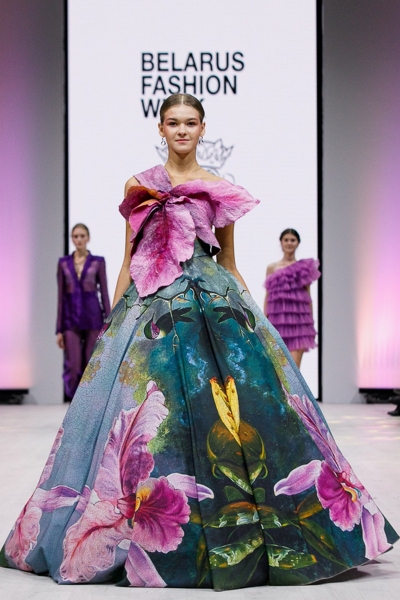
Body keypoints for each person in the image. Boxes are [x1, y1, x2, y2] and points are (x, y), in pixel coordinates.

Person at [1, 94, 397, 589]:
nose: (182, 130)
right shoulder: (139, 185)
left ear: (203, 128)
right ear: (161, 128)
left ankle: (242, 529)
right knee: (151, 415)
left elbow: (227, 261)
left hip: (211, 304)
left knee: (232, 412)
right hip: (152, 303)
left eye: (190, 123)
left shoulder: (218, 189)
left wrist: (255, 320)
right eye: (173, 122)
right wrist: (113, 322)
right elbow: (128, 258)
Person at [56, 223, 110, 401]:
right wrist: (59, 330)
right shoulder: (64, 263)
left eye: (82, 236)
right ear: (72, 239)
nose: (79, 239)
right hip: (70, 319)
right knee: (73, 365)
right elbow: (61, 297)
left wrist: (110, 323)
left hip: (93, 317)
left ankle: (89, 403)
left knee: (91, 362)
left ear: (88, 238)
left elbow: (104, 293)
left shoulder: (97, 262)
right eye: (75, 236)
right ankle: (74, 402)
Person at [264, 229, 320, 368]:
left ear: (298, 243)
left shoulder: (303, 268)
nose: (289, 243)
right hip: (277, 322)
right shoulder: (272, 268)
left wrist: (311, 325)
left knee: (295, 369)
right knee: (280, 369)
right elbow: (268, 296)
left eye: (293, 240)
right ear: (281, 242)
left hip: (299, 324)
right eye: (286, 240)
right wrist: (264, 321)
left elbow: (308, 296)